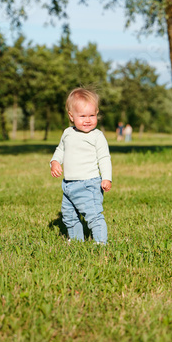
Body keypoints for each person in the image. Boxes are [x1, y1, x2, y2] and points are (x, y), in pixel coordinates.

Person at [50, 88, 112, 244]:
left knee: (93, 215)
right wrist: (55, 161)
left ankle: (100, 243)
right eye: (82, 116)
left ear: (97, 113)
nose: (88, 120)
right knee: (69, 216)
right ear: (71, 116)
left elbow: (104, 158)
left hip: (89, 184)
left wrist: (106, 178)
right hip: (68, 185)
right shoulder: (67, 133)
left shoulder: (97, 136)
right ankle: (77, 241)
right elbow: (60, 150)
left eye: (92, 115)